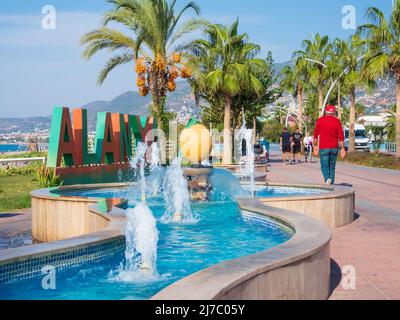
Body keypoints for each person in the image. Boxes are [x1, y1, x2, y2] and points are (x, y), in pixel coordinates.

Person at [313, 104, 346, 185]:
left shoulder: (320, 120)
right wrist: (342, 148)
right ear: (333, 112)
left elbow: (315, 134)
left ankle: (327, 179)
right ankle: (331, 184)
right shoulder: (337, 121)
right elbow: (341, 136)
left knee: (324, 165)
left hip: (324, 148)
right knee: (332, 166)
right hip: (334, 148)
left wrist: (315, 145)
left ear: (325, 112)